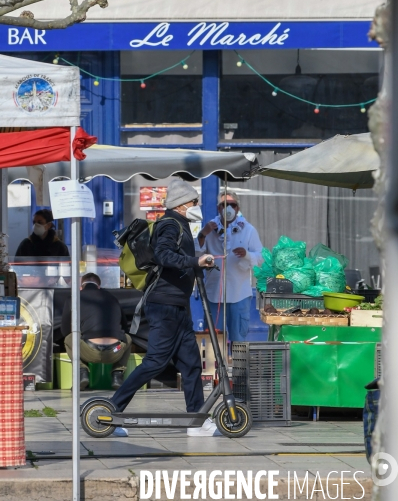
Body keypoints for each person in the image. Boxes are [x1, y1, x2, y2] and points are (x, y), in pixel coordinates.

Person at [110, 179, 219, 437]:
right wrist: (195, 261)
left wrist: (199, 265)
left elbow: (179, 259)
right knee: (155, 362)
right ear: (181, 205)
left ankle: (197, 420)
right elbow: (164, 255)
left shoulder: (181, 224)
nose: (197, 206)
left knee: (191, 364)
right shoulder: (170, 224)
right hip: (164, 305)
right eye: (194, 202)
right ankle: (113, 410)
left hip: (178, 306)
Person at [195, 190, 263, 342]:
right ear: (219, 208)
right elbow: (196, 255)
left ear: (237, 208)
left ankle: (239, 367)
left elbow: (261, 258)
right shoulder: (210, 229)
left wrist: (246, 254)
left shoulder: (248, 230)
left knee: (239, 340)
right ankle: (216, 367)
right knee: (213, 340)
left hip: (239, 294)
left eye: (232, 205)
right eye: (224, 205)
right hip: (214, 295)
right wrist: (203, 234)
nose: (228, 208)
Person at [61, 272, 132, 391]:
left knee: (69, 339)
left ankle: (82, 371)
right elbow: (124, 327)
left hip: (89, 350)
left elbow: (64, 330)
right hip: (115, 350)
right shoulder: (112, 298)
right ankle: (117, 374)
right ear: (99, 286)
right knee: (128, 339)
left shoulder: (74, 298)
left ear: (81, 287)